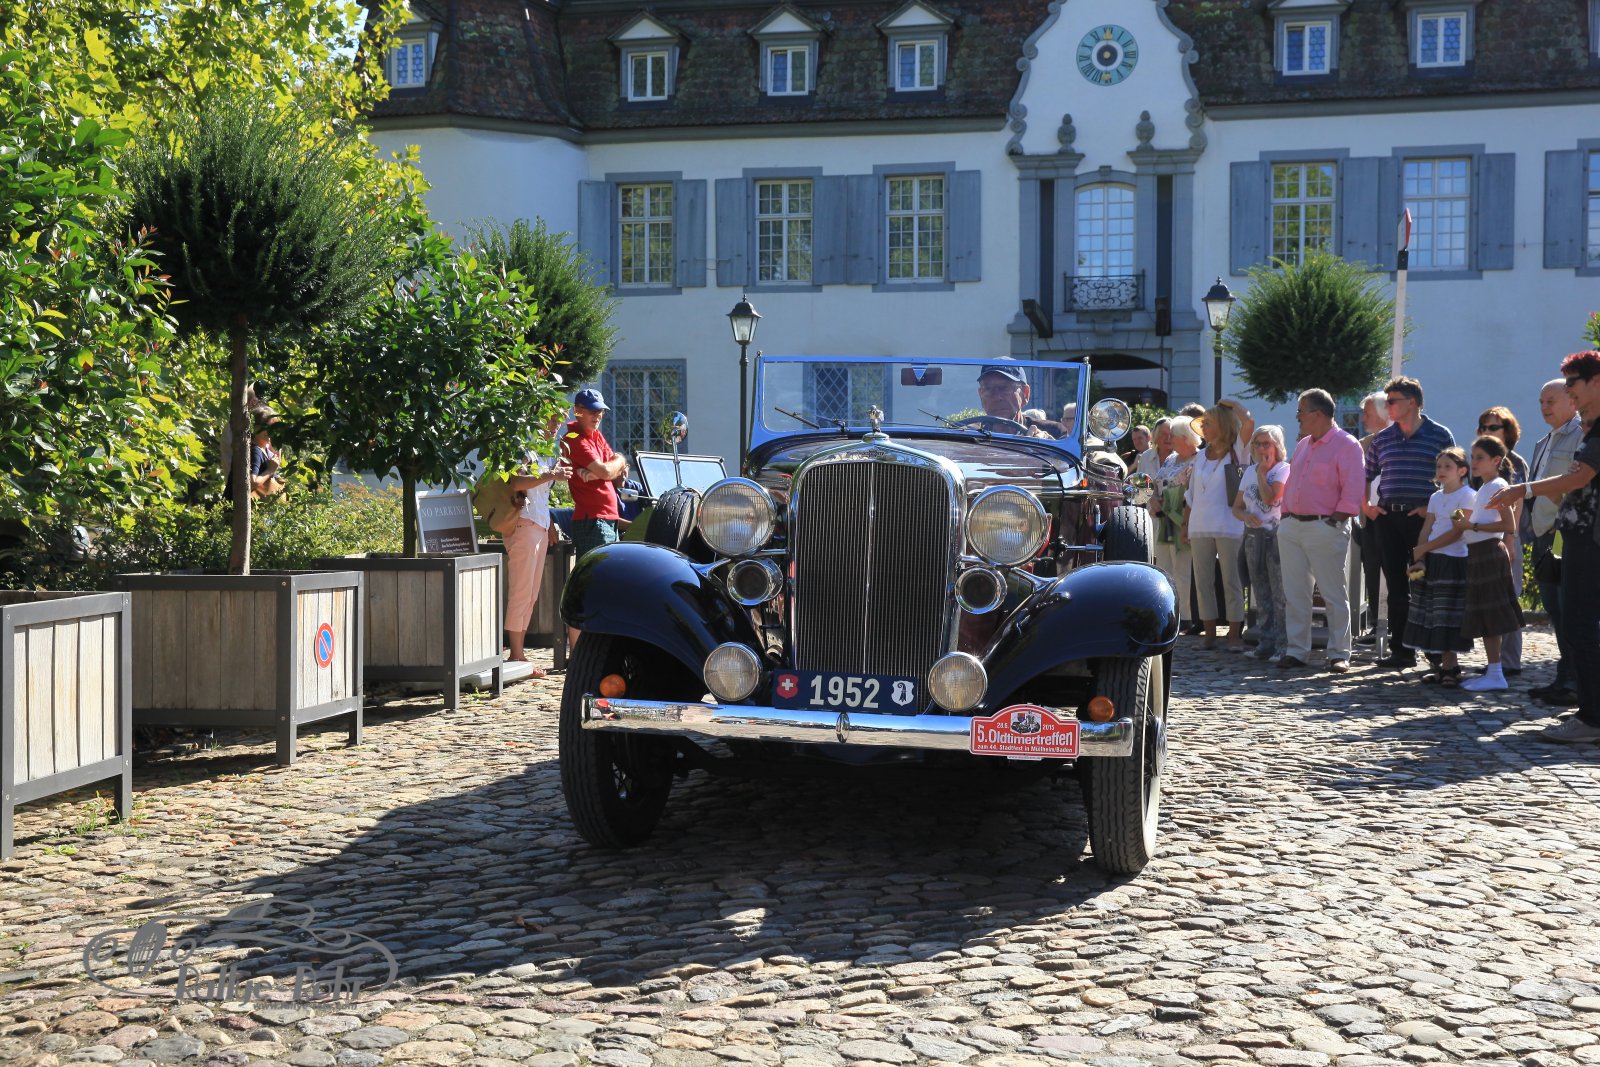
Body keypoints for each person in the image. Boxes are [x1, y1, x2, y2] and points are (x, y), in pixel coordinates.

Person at [1489, 351, 1600, 743]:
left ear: (1596, 382)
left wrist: (1524, 489)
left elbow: (1580, 476)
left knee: (1581, 625)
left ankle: (1592, 719)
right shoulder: (1588, 428)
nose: (1569, 391)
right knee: (1576, 624)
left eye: (1573, 383)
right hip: (1576, 537)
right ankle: (1589, 707)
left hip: (1590, 540)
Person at [1365, 376, 1455, 669]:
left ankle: (1433, 650)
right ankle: (1402, 651)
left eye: (1392, 401)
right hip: (1388, 519)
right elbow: (1365, 476)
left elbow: (1453, 479)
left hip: (1423, 522)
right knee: (1396, 586)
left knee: (1425, 583)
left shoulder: (1439, 435)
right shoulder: (1382, 439)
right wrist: (1366, 507)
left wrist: (1431, 508)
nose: (1387, 407)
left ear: (1413, 403)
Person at [1277, 388, 1365, 672]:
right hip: (1292, 526)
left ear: (1317, 414)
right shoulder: (1304, 444)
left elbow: (1353, 490)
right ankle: (1296, 651)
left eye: (1301, 411)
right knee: (1295, 594)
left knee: (1333, 593)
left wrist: (1334, 521)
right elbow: (1293, 483)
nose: (1297, 417)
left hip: (1325, 526)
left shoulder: (1347, 445)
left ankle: (1339, 653)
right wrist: (1285, 517)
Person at [1523, 379, 1584, 706]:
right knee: (1555, 610)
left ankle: (1577, 683)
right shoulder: (1543, 441)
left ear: (1572, 401)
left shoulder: (1582, 435)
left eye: (1551, 401)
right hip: (1544, 534)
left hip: (1567, 535)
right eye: (1541, 402)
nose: (1544, 407)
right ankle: (1565, 677)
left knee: (1571, 611)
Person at [1454, 437, 1525, 692]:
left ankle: (1496, 673)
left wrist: (1471, 525)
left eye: (1480, 458)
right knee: (1484, 613)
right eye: (1473, 456)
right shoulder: (1484, 486)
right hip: (1478, 553)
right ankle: (1493, 671)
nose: (1473, 462)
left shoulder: (1498, 485)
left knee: (1492, 614)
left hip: (1489, 553)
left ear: (1496, 461)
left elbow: (1508, 525)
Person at [503, 414, 571, 672]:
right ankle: (516, 654)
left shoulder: (545, 452)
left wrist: (550, 523)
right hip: (524, 524)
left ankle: (518, 654)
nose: (555, 426)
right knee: (521, 590)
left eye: (559, 421)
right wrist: (551, 474)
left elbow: (540, 495)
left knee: (531, 593)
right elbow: (516, 483)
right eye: (551, 420)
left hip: (539, 525)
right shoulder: (526, 448)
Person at [563, 388, 629, 646]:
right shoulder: (574, 438)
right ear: (578, 411)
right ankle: (579, 651)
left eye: (600, 411)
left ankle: (595, 646)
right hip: (593, 521)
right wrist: (614, 465)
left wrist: (615, 464)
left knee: (606, 582)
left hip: (606, 520)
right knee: (591, 584)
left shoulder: (595, 436)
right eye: (592, 411)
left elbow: (614, 470)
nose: (598, 415)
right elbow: (607, 470)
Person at [1403, 448, 1475, 686]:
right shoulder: (1436, 497)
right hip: (1432, 560)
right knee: (1433, 614)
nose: (1441, 471)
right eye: (1439, 466)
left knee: (1448, 615)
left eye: (1448, 467)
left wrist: (1426, 547)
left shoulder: (1466, 496)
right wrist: (1420, 556)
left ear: (1462, 471)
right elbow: (1427, 528)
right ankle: (1444, 667)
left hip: (1453, 560)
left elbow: (1457, 532)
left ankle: (1450, 668)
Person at [1469, 406, 1527, 677]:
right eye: (1483, 427)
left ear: (1507, 431)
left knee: (1507, 599)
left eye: (1494, 427)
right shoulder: (1480, 465)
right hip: (1485, 540)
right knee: (1493, 599)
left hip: (1504, 539)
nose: (1487, 431)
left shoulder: (1514, 463)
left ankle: (1510, 661)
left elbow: (1517, 504)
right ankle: (1496, 661)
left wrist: (1510, 539)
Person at [1184, 405, 1247, 651]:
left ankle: (1234, 634)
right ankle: (1209, 632)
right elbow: (1190, 494)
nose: (1203, 427)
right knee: (1203, 581)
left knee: (1232, 580)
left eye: (1208, 422)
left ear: (1222, 424)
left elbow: (1248, 423)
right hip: (1200, 524)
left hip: (1229, 524)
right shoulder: (1200, 455)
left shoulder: (1237, 452)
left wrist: (1231, 405)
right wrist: (1185, 524)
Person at [1231, 425, 1289, 662]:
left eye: (1267, 444)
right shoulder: (1249, 471)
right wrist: (1245, 516)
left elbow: (1270, 498)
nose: (1261, 449)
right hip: (1253, 537)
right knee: (1260, 593)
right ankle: (1265, 643)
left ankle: (1283, 645)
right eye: (1257, 444)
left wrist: (1263, 474)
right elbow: (1236, 507)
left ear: (1277, 446)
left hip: (1276, 538)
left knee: (1280, 594)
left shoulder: (1284, 470)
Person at [1151, 417, 1200, 635]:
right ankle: (1166, 614)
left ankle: (1185, 617)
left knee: (1182, 570)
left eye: (1173, 435)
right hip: (1163, 519)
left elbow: (1193, 491)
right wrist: (1154, 499)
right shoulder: (1171, 459)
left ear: (1186, 437)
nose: (1170, 439)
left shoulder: (1198, 460)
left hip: (1182, 521)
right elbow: (1156, 483)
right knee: (1164, 568)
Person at [1355, 391, 1391, 642]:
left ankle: (1396, 624)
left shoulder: (1399, 439)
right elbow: (1358, 479)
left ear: (1382, 414)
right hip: (1369, 516)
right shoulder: (1364, 444)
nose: (1363, 418)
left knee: (1395, 572)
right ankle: (1377, 623)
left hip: (1394, 515)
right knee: (1372, 570)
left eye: (1367, 413)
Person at [975, 366, 1056, 437]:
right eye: (988, 389)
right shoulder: (971, 433)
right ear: (980, 395)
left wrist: (1047, 445)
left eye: (1005, 388)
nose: (997, 397)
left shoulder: (1053, 431)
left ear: (1025, 394)